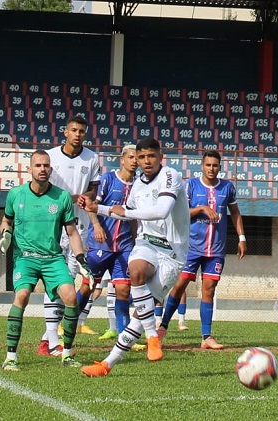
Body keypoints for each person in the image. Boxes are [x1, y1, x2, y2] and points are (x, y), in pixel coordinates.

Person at [79, 138, 190, 377]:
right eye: (142, 157)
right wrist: (96, 208)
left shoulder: (170, 175)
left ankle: (107, 364)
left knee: (139, 317)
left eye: (151, 156)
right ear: (137, 160)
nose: (146, 161)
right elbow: (125, 214)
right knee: (136, 270)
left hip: (172, 253)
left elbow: (161, 211)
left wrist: (126, 211)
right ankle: (152, 336)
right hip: (147, 243)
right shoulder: (138, 185)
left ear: (161, 157)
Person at [0, 150, 93, 371]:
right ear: (29, 169)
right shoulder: (16, 194)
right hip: (26, 258)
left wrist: (81, 259)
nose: (42, 169)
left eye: (46, 165)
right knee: (22, 296)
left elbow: (72, 232)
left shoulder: (62, 197)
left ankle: (66, 354)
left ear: (51, 169)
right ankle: (11, 357)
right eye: (38, 165)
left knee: (71, 297)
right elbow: (6, 221)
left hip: (53, 258)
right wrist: (5, 234)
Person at [157, 150, 246, 350]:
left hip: (216, 249)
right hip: (191, 247)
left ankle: (206, 337)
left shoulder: (227, 187)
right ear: (202, 166)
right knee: (179, 286)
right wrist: (202, 209)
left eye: (215, 165)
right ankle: (162, 328)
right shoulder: (190, 186)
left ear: (220, 167)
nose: (211, 169)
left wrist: (242, 238)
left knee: (209, 289)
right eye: (208, 165)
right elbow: (180, 214)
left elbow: (235, 213)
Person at [38, 114, 101, 358]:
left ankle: (48, 338)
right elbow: (43, 188)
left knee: (70, 282)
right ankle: (50, 340)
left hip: (79, 228)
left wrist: (87, 196)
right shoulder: (51, 156)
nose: (77, 134)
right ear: (65, 132)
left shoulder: (91, 158)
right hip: (54, 226)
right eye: (74, 130)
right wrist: (68, 198)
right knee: (56, 280)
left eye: (81, 131)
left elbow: (94, 188)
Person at [85, 144, 138, 341]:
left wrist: (135, 240)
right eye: (131, 157)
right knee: (88, 286)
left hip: (124, 245)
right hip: (100, 244)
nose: (135, 161)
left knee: (123, 290)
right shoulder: (108, 179)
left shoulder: (139, 184)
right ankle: (69, 326)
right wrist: (97, 226)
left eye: (137, 158)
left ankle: (124, 337)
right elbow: (92, 206)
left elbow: (133, 216)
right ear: (122, 160)